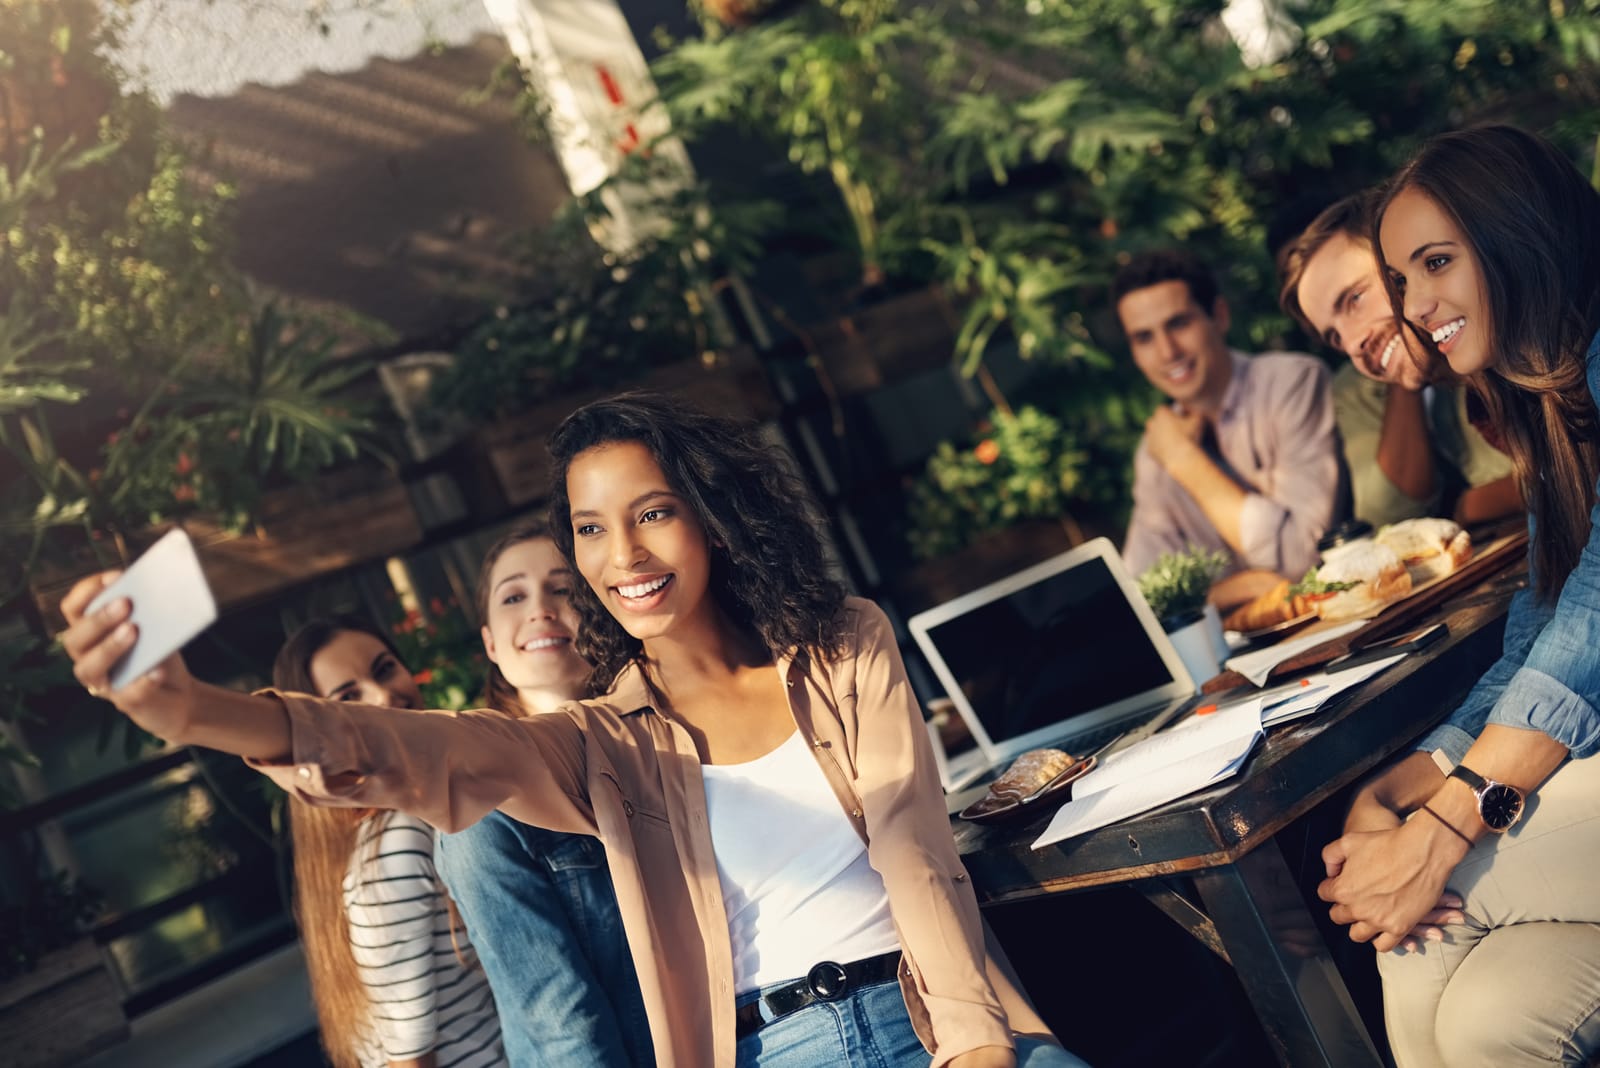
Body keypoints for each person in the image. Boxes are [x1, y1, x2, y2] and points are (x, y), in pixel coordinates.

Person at [59, 393, 1089, 1068]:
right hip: (784, 1049)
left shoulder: (839, 646)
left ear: (713, 517)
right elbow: (429, 751)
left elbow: (914, 848)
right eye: (589, 528)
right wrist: (192, 711)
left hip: (943, 1012)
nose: (620, 553)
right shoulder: (606, 744)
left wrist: (974, 1048)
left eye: (651, 513)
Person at [1316, 125, 1600, 1068]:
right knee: (1483, 1014)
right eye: (1402, 278)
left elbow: (1596, 623)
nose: (1415, 306)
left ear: (1517, 235)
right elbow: (1543, 621)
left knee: (1417, 898)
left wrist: (1442, 825)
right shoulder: (1547, 409)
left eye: (1435, 263)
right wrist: (1400, 785)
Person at [434, 523, 653, 1067]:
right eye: (514, 596)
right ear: (489, 641)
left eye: (562, 589)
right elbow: (561, 1020)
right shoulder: (484, 801)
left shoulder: (666, 746)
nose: (540, 609)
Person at [271, 618, 506, 1068]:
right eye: (348, 697)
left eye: (384, 670)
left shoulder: (427, 810)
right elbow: (407, 1058)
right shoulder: (397, 840)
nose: (383, 697)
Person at [1114, 248, 1347, 607]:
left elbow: (1302, 562)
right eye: (1144, 337)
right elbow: (1144, 599)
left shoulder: (1292, 383)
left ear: (1219, 316)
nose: (1167, 352)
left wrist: (1184, 461)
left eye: (1178, 324)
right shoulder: (1153, 451)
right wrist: (1232, 591)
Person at [1276, 189, 1521, 528]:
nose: (1352, 344)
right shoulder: (1470, 390)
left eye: (1355, 298)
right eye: (1334, 336)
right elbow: (1387, 516)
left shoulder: (1529, 344)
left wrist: (1464, 508)